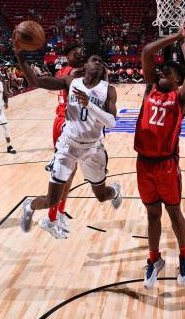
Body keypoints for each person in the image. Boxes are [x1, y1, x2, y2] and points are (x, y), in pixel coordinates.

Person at [15, 42, 122, 238]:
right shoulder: (70, 82)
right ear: (85, 67)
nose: (98, 63)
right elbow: (35, 81)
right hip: (68, 145)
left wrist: (90, 105)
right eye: (94, 60)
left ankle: (114, 191)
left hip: (93, 148)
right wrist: (21, 57)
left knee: (101, 196)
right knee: (51, 200)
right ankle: (29, 206)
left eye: (101, 61)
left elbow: (112, 123)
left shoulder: (109, 91)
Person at [134, 26, 185, 288]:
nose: (162, 72)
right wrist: (174, 36)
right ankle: (154, 259)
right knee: (152, 215)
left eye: (168, 72)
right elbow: (148, 52)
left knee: (173, 212)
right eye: (162, 70)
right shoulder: (150, 88)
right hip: (143, 164)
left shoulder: (180, 98)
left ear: (177, 81)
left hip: (166, 165)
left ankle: (184, 256)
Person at [43, 44, 85, 236]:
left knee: (71, 171)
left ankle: (58, 212)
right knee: (65, 172)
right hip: (63, 123)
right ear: (67, 56)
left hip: (68, 121)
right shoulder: (73, 72)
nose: (79, 54)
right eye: (75, 52)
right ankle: (51, 217)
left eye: (80, 52)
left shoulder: (64, 71)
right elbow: (84, 71)